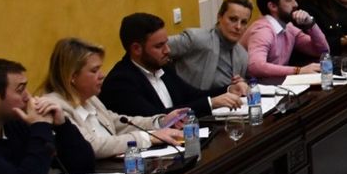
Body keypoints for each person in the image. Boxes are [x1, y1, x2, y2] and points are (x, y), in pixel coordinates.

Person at [36, 37, 185, 157]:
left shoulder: (90, 99)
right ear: (72, 76)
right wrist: (149, 138)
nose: (102, 76)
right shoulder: (55, 106)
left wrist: (160, 121)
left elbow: (119, 122)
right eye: (94, 71)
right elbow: (93, 145)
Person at [0, 57, 94, 174]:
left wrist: (62, 125)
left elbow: (84, 165)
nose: (28, 96)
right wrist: (40, 126)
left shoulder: (16, 125)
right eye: (20, 90)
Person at [99, 13, 245, 119]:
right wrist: (210, 103)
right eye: (159, 46)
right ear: (136, 49)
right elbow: (156, 117)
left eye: (166, 43)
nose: (168, 50)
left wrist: (229, 89)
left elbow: (192, 95)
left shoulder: (163, 67)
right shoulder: (120, 82)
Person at [244, 0, 332, 80]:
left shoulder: (288, 28)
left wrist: (311, 24)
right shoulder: (263, 31)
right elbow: (256, 67)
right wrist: (298, 71)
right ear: (272, 6)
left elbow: (322, 51)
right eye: (289, 0)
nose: (295, 4)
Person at [167, 0, 253, 98]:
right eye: (233, 19)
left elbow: (247, 83)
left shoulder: (242, 55)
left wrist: (241, 84)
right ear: (219, 17)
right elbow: (157, 47)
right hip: (190, 105)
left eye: (243, 22)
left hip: (226, 107)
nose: (238, 27)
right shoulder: (196, 38)